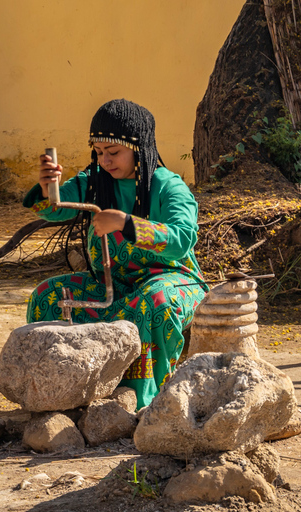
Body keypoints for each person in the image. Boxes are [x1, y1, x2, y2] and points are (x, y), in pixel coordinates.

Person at [23, 99, 208, 409]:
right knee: (49, 294)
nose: (105, 161)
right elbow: (54, 211)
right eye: (98, 152)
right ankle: (56, 390)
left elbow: (183, 238)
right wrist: (47, 187)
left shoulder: (168, 186)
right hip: (114, 283)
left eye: (113, 152)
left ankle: (145, 401)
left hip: (173, 281)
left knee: (152, 302)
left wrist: (125, 223)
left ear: (139, 148)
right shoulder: (95, 181)